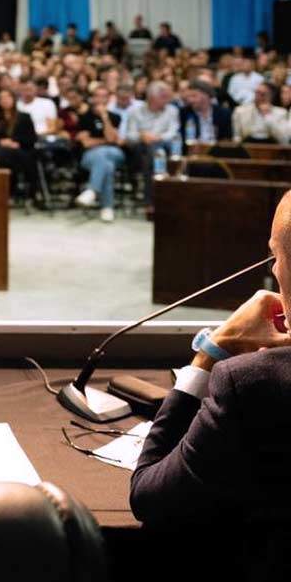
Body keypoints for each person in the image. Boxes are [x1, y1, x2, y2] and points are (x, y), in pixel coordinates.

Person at [130, 192, 291, 579]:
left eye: (276, 256)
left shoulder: (252, 382)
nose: (272, 269)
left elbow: (150, 498)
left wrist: (211, 353)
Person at [72, 86, 125, 222]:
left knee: (103, 154)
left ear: (108, 98)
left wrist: (105, 117)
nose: (100, 99)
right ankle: (107, 208)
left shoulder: (116, 117)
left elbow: (112, 139)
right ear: (93, 98)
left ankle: (92, 190)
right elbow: (86, 143)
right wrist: (105, 141)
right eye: (98, 96)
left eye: (104, 96)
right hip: (90, 155)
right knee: (107, 165)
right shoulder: (84, 117)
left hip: (115, 153)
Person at [126, 81, 180, 212]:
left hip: (163, 146)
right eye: (164, 97)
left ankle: (150, 201)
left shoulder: (172, 110)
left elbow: (173, 132)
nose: (168, 100)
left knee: (153, 153)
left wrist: (157, 137)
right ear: (152, 98)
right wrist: (141, 135)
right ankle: (158, 190)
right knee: (150, 152)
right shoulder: (135, 111)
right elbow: (130, 135)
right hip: (139, 148)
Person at [0, 88, 38, 199]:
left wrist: (16, 143)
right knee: (3, 154)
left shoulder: (24, 117)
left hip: (22, 152)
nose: (5, 100)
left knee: (6, 154)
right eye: (2, 98)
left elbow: (32, 139)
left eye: (7, 97)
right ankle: (8, 190)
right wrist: (1, 142)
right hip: (2, 153)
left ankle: (14, 190)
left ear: (13, 99)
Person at [178, 80, 233, 144]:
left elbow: (227, 139)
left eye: (194, 96)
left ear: (206, 95)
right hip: (194, 150)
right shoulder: (185, 113)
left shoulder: (224, 113)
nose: (190, 100)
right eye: (189, 97)